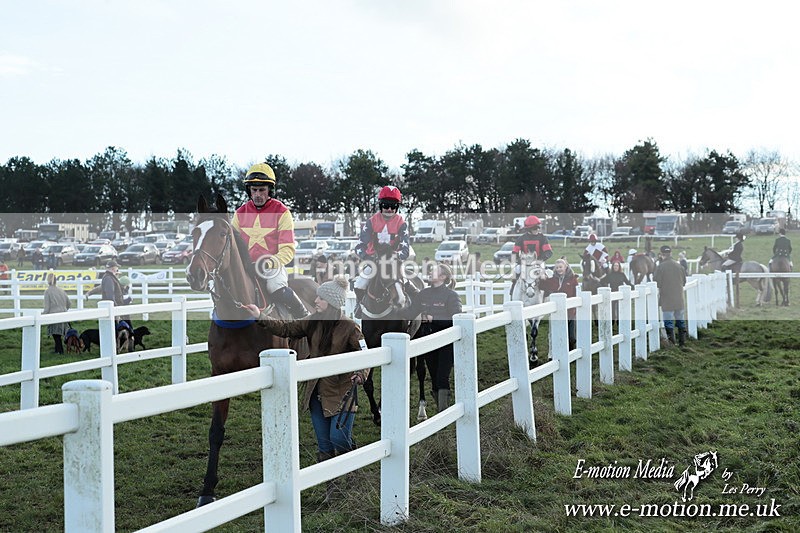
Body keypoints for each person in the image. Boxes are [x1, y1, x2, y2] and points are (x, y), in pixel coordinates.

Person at [243, 276, 368, 497]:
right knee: (324, 444)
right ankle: (333, 488)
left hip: (341, 391)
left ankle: (352, 466)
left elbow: (365, 355)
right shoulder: (312, 321)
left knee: (339, 439)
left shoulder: (349, 327)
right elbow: (286, 328)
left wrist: (360, 373)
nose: (316, 300)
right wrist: (260, 316)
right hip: (315, 393)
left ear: (330, 301)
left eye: (320, 298)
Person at [231, 162, 308, 319]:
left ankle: (304, 317)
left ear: (270, 190)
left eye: (262, 190)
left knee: (275, 287)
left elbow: (288, 250)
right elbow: (232, 246)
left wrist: (267, 263)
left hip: (272, 266)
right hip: (245, 266)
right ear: (249, 191)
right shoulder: (239, 213)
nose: (258, 194)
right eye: (254, 190)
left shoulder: (282, 212)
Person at [405, 263, 462, 411]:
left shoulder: (451, 295)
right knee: (434, 378)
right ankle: (441, 411)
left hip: (446, 343)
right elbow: (410, 312)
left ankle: (443, 411)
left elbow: (455, 319)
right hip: (428, 342)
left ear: (443, 277)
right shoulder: (423, 294)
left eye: (434, 271)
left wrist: (432, 318)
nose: (430, 272)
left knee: (442, 377)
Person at [353, 186, 411, 309]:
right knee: (359, 285)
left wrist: (395, 257)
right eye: (386, 205)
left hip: (394, 262)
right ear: (380, 205)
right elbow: (359, 247)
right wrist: (368, 258)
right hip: (374, 261)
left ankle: (413, 312)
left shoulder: (401, 223)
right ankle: (360, 307)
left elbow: (406, 249)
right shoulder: (371, 222)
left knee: (408, 284)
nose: (389, 209)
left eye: (393, 206)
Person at [540, 257, 579, 352]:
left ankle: (571, 353)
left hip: (570, 312)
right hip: (558, 313)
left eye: (560, 267)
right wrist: (542, 277)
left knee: (572, 337)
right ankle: (561, 353)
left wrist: (575, 307)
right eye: (557, 267)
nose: (558, 269)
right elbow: (542, 285)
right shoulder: (552, 280)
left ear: (565, 267)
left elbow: (576, 293)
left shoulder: (572, 279)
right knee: (559, 335)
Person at [654, 245, 687, 346]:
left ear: (661, 254)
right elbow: (684, 282)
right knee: (680, 320)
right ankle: (682, 342)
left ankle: (672, 343)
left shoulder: (660, 267)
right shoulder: (679, 266)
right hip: (679, 299)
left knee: (668, 322)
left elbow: (656, 282)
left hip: (667, 299)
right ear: (671, 253)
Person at [43, 273, 71, 355]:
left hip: (54, 315)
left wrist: (43, 315)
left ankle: (60, 351)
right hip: (63, 314)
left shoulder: (47, 291)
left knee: (56, 335)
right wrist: (64, 309)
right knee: (59, 334)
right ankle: (57, 350)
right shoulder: (61, 290)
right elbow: (69, 303)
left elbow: (47, 307)